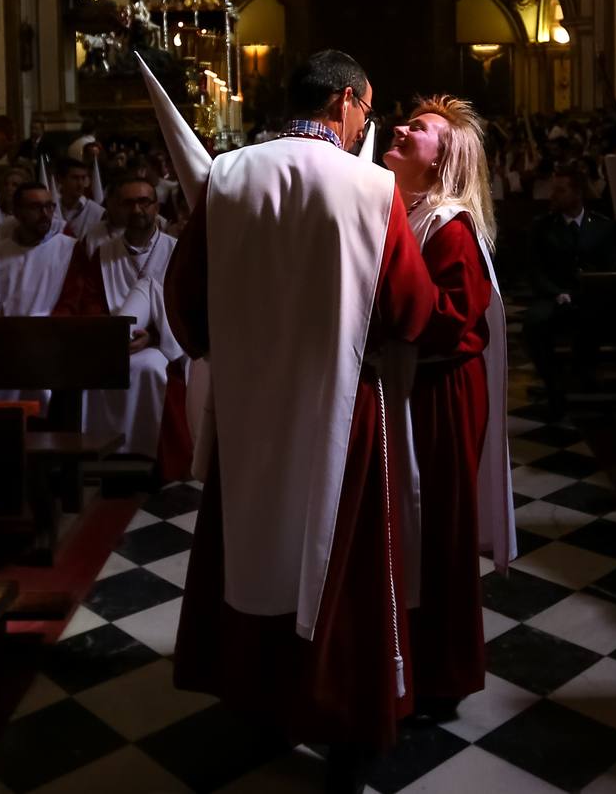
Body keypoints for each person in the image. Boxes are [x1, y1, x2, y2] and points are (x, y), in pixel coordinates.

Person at [158, 50, 438, 793]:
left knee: (253, 551)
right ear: (345, 103)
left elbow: (184, 302)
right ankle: (347, 728)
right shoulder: (372, 187)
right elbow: (410, 310)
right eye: (366, 112)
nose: (366, 127)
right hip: (340, 404)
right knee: (342, 569)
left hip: (252, 404)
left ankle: (259, 708)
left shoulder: (227, 175)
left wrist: (240, 349)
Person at [381, 95, 514, 720]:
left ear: (447, 159)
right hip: (417, 384)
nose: (403, 128)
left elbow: (445, 317)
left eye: (422, 128)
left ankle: (443, 670)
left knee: (439, 526)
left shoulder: (450, 226)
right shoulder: (407, 211)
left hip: (441, 392)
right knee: (412, 526)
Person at [55, 177, 181, 459]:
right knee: (91, 371)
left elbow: (186, 304)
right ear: (116, 207)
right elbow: (90, 302)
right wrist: (111, 336)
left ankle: (146, 455)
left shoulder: (176, 250)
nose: (137, 210)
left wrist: (155, 336)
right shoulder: (104, 253)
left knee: (150, 369)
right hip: (113, 341)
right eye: (128, 203)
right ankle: (102, 453)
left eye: (144, 202)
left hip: (161, 343)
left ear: (156, 206)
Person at [522, 164, 616, 419]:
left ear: (577, 194)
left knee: (597, 322)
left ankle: (584, 378)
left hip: (590, 298)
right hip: (554, 296)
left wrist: (584, 293)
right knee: (533, 324)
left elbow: (609, 268)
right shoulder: (542, 226)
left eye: (561, 190)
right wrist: (556, 292)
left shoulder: (602, 226)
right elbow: (535, 270)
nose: (553, 195)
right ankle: (555, 387)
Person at [0, 183, 79, 317]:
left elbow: (72, 301)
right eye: (35, 207)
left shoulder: (68, 249)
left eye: (49, 206)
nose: (45, 214)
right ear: (17, 212)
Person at [53, 157, 106, 238]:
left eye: (83, 178)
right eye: (75, 178)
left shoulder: (97, 212)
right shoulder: (52, 208)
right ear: (60, 179)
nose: (80, 184)